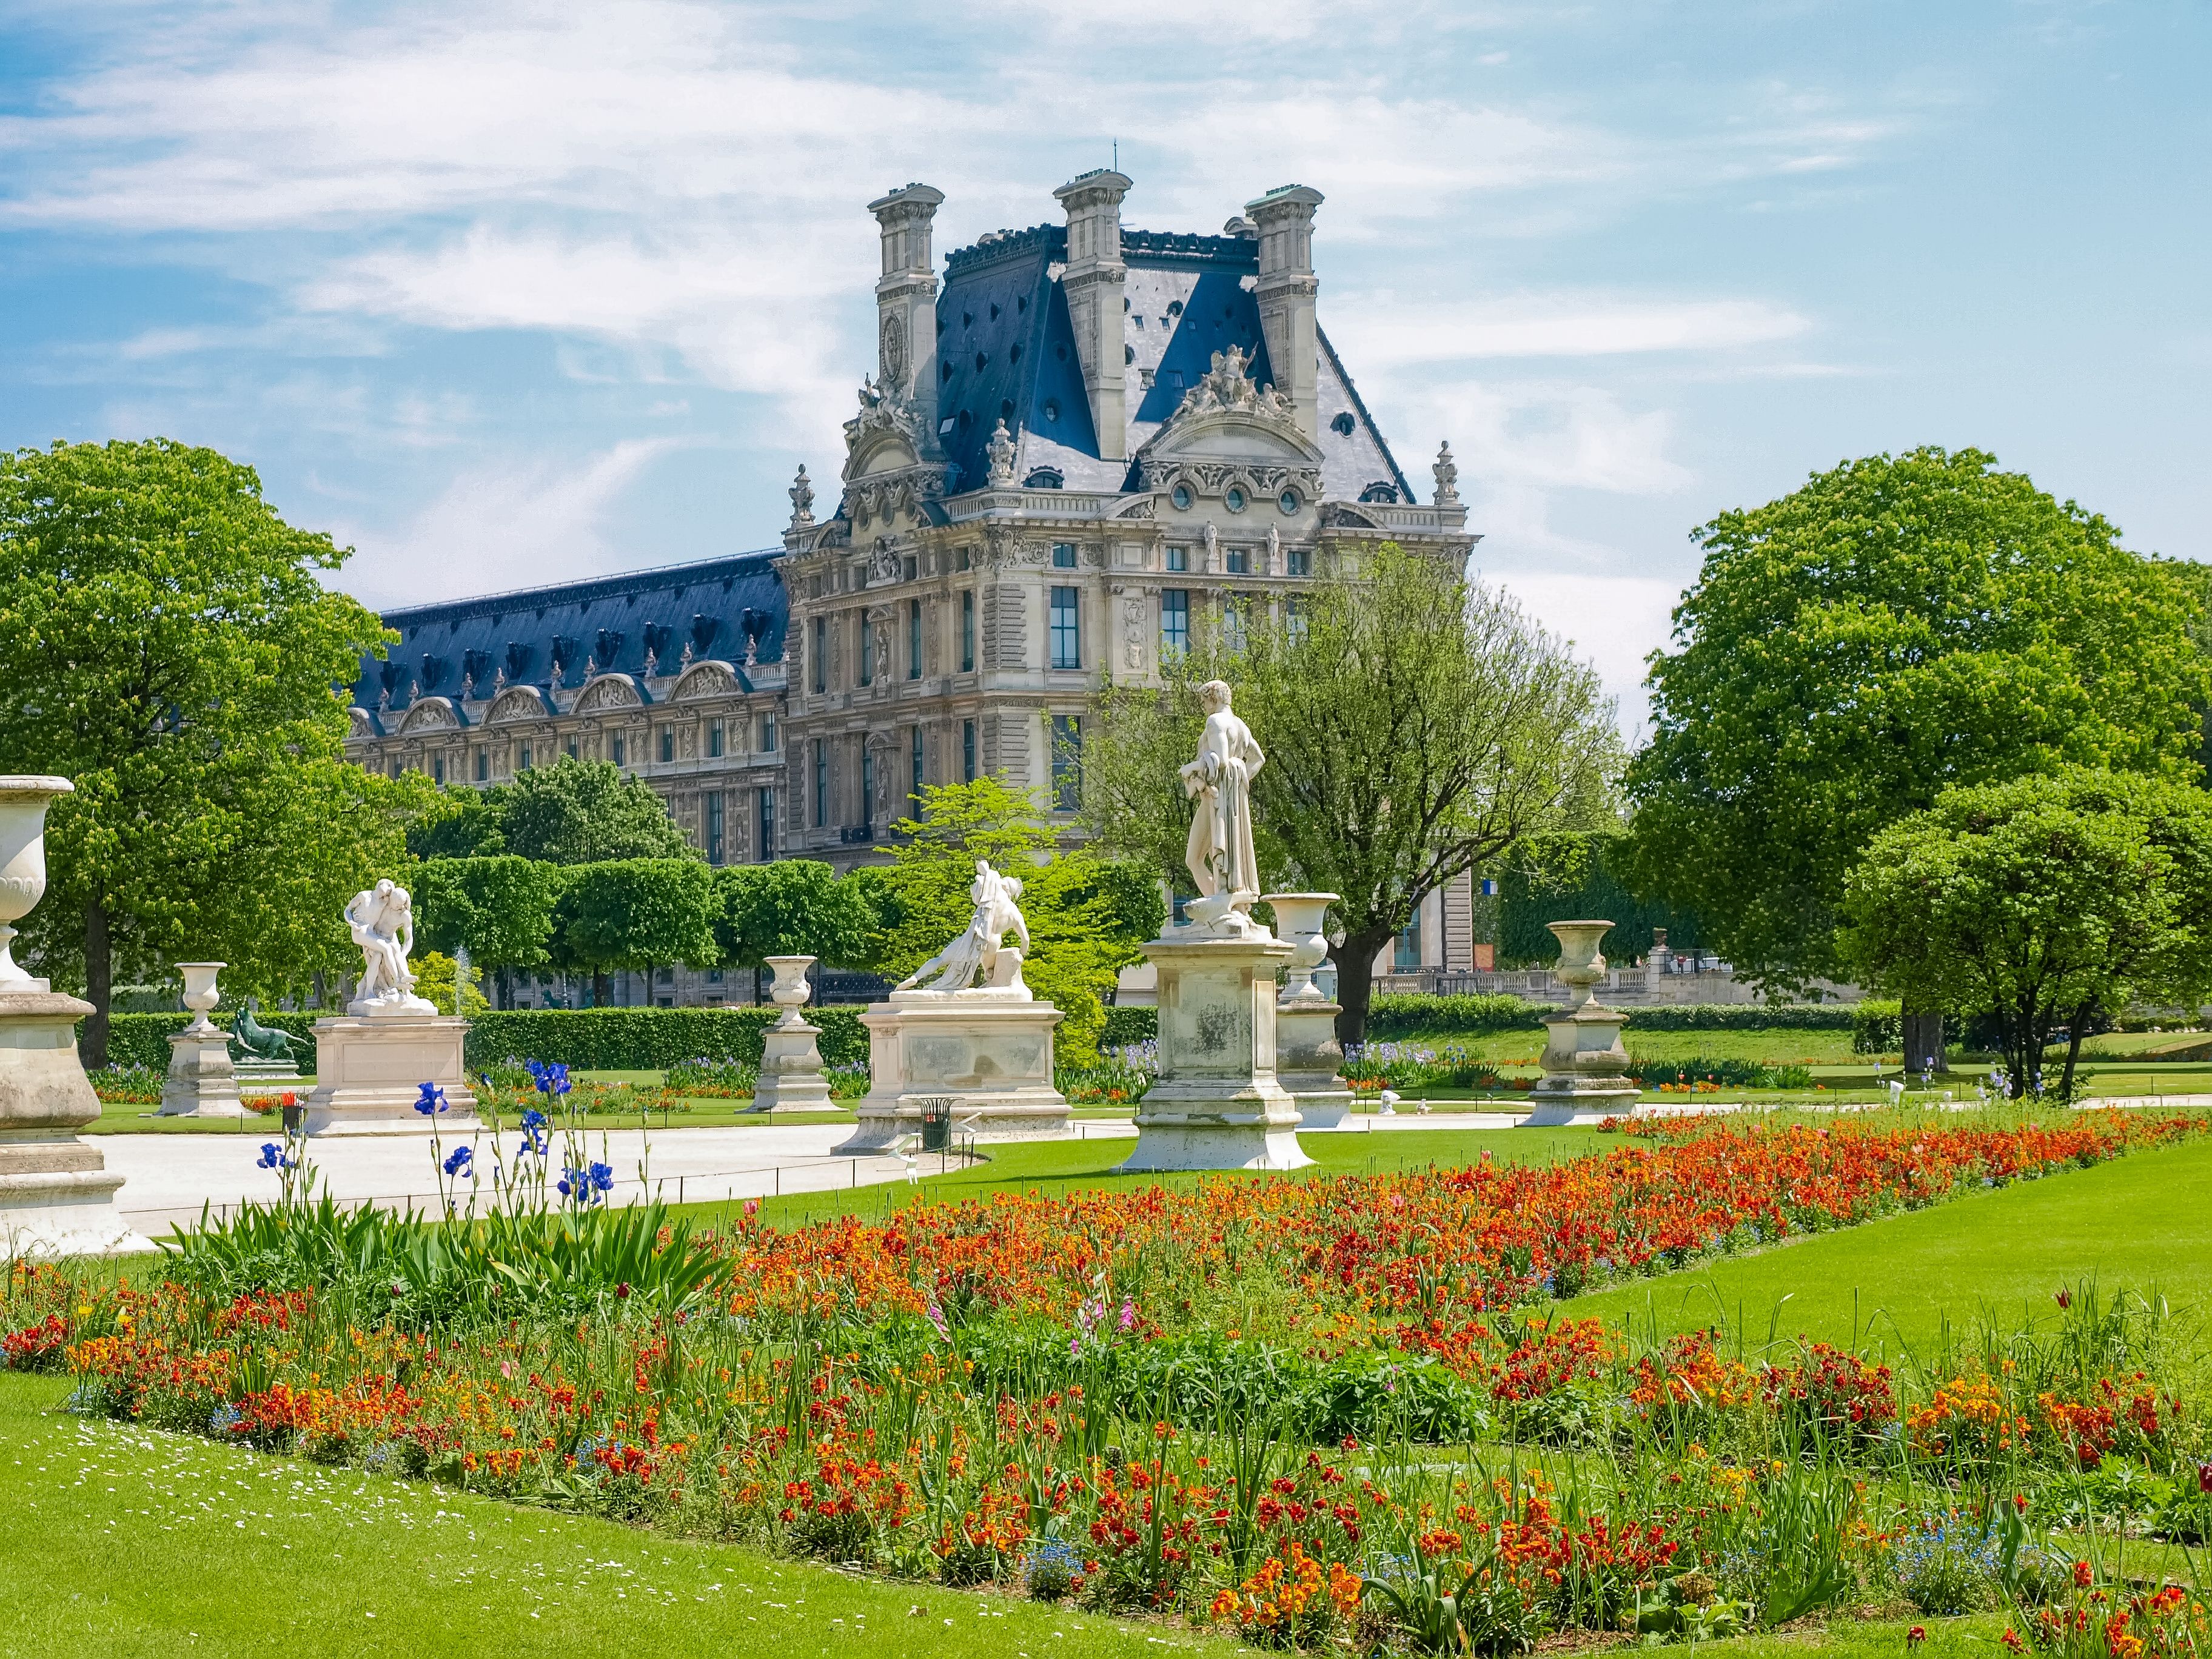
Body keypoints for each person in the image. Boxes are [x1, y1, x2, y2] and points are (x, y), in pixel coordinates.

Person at [1179, 680, 1266, 931]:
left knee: (1194, 857)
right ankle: (1225, 904)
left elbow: (1218, 762)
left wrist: (1191, 768)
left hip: (1215, 798)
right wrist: (1240, 786)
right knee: (1211, 854)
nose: (1204, 707)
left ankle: (1219, 907)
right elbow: (1257, 759)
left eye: (1205, 701)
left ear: (1214, 699)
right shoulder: (1241, 725)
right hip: (1229, 798)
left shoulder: (1216, 722)